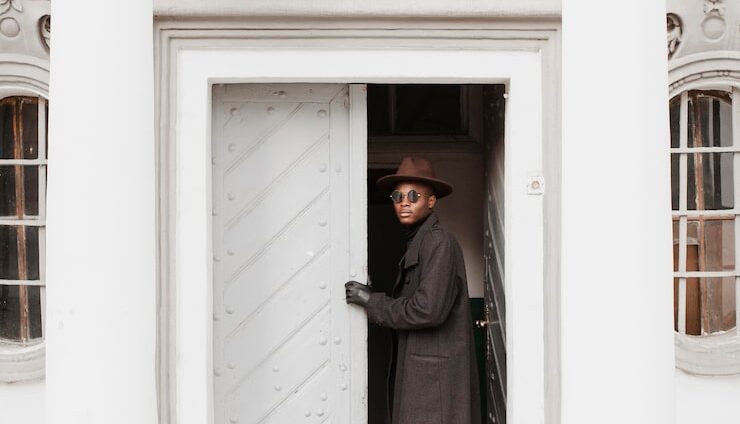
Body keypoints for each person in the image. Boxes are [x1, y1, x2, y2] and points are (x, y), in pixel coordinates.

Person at [345, 156, 481, 424]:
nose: (404, 202)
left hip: (434, 381)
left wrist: (372, 301)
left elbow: (428, 310)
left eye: (413, 196)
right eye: (398, 196)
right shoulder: (421, 240)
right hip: (425, 374)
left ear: (430, 202)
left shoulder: (439, 242)